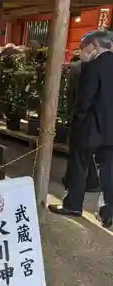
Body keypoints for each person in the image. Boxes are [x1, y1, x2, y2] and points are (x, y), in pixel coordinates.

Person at [49, 31, 113, 228]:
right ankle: (108, 211)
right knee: (109, 170)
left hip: (89, 128)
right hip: (111, 130)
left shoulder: (92, 67)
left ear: (93, 47)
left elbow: (84, 100)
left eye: (83, 49)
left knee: (79, 165)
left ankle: (73, 205)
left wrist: (75, 122)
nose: (81, 54)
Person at [63, 47, 100, 193]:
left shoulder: (78, 69)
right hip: (96, 118)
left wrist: (71, 115)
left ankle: (82, 183)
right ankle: (90, 181)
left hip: (82, 116)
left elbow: (71, 95)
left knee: (78, 152)